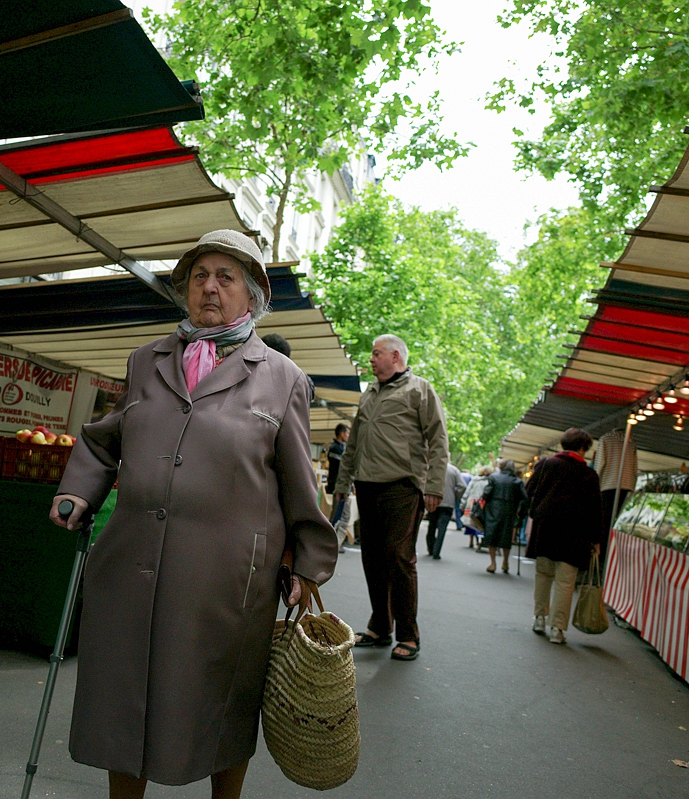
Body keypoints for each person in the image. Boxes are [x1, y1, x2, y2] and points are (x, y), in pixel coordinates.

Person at [51, 229, 338, 799]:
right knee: (123, 696)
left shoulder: (284, 380)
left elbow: (298, 481)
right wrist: (79, 489)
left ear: (252, 294)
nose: (210, 288)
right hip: (132, 560)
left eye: (226, 278)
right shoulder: (146, 360)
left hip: (228, 578)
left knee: (220, 701)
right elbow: (105, 439)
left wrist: (306, 563)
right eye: (200, 276)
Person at [333, 334, 449, 662]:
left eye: (376, 353)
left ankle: (408, 635)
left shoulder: (419, 389)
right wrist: (343, 482)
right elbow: (353, 444)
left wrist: (434, 487)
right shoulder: (368, 393)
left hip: (403, 487)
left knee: (399, 558)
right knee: (372, 558)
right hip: (366, 486)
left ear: (395, 356)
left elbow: (438, 439)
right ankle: (380, 627)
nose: (371, 359)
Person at [526, 428, 604, 644]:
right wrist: (596, 540)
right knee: (565, 582)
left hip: (546, 529)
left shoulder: (546, 464)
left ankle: (539, 618)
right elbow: (596, 510)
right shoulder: (589, 475)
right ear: (582, 448)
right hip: (575, 535)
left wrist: (536, 512)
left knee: (543, 574)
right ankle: (557, 629)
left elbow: (529, 490)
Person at [595, 428, 637, 560]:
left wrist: (595, 484)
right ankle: (613, 555)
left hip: (608, 485)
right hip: (627, 486)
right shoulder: (631, 442)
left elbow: (599, 463)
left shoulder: (605, 439)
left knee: (604, 522)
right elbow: (635, 469)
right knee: (618, 525)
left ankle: (602, 556)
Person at [481, 459, 526, 574]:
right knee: (506, 537)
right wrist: (521, 513)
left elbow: (486, 494)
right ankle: (505, 562)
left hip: (493, 510)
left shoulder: (494, 478)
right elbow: (525, 499)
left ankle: (493, 563)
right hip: (510, 511)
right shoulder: (517, 481)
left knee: (492, 536)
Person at [426, 461, 464, 560]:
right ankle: (436, 552)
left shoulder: (432, 467)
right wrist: (455, 495)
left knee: (431, 526)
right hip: (447, 503)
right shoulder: (454, 470)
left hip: (433, 500)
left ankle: (430, 548)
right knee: (442, 529)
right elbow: (462, 486)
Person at [461, 466, 492, 548]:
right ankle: (479, 541)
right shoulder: (490, 481)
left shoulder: (474, 480)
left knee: (470, 522)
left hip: (471, 502)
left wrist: (462, 504)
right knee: (479, 521)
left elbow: (467, 492)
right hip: (482, 503)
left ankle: (471, 541)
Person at [326, 423, 350, 531]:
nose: (349, 436)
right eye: (347, 433)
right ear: (342, 433)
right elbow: (342, 467)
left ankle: (334, 541)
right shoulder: (335, 449)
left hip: (340, 485)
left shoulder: (341, 448)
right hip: (338, 485)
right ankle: (331, 540)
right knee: (338, 515)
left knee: (342, 515)